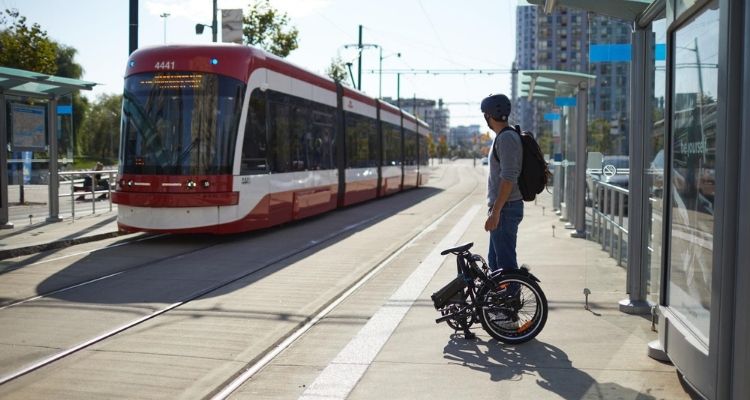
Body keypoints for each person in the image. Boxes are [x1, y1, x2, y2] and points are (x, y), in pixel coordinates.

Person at [481, 94, 524, 272]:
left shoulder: (506, 138)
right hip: (503, 208)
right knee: (496, 263)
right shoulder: (503, 137)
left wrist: (496, 211)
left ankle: (512, 298)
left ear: (489, 116)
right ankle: (503, 298)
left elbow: (508, 177)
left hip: (505, 209)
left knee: (505, 266)